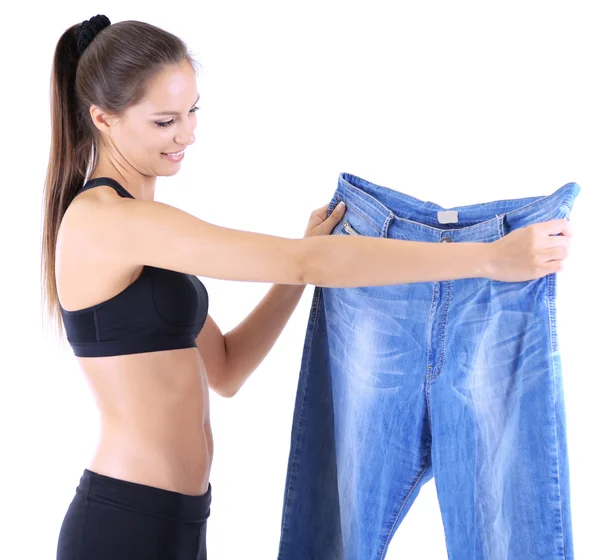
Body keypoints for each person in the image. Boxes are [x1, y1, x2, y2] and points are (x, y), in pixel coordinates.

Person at [43, 15, 572, 560]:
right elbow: (304, 262)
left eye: (193, 110)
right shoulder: (108, 221)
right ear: (103, 119)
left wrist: (298, 278)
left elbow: (226, 369)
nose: (188, 134)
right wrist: (485, 259)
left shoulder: (143, 226)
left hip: (179, 520)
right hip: (121, 525)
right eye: (164, 121)